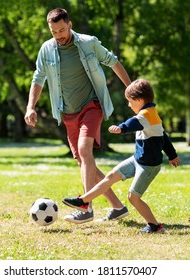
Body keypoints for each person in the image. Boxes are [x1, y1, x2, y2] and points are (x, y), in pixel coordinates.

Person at [24, 8, 132, 224]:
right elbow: (38, 78)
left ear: (70, 25)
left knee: (85, 151)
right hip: (67, 111)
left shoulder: (88, 43)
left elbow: (113, 61)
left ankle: (85, 206)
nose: (59, 35)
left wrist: (131, 91)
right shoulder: (46, 49)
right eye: (54, 32)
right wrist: (30, 106)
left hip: (91, 105)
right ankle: (118, 207)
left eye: (62, 30)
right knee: (84, 161)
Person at [62, 79, 181, 233]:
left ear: (139, 100)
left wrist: (121, 128)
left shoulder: (146, 115)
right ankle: (84, 202)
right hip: (137, 160)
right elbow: (163, 137)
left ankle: (154, 225)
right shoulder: (151, 114)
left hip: (148, 166)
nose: (129, 105)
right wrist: (172, 155)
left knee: (133, 197)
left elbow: (134, 123)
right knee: (110, 176)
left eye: (130, 101)